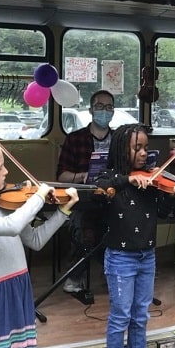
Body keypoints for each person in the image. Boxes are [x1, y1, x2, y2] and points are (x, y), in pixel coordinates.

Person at [0, 135, 79, 348]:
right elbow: (12, 226)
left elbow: (36, 240)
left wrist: (64, 211)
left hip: (17, 287)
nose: (6, 172)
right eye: (0, 168)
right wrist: (38, 197)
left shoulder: (2, 203)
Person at [92, 123, 175, 348]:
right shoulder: (111, 177)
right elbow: (97, 191)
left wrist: (174, 196)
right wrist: (128, 180)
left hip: (148, 256)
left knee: (141, 316)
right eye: (137, 148)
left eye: (146, 148)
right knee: (120, 317)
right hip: (120, 258)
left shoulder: (151, 179)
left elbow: (163, 212)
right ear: (121, 149)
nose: (144, 153)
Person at [56, 90, 115, 295]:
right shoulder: (75, 139)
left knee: (123, 222)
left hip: (112, 197)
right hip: (84, 198)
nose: (104, 112)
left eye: (109, 108)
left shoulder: (119, 139)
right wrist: (82, 176)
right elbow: (61, 176)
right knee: (85, 225)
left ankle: (115, 274)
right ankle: (74, 277)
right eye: (100, 107)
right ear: (91, 110)